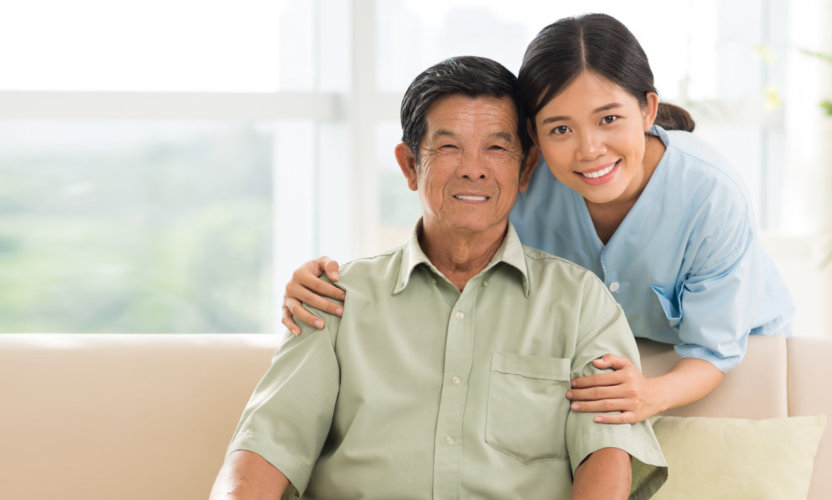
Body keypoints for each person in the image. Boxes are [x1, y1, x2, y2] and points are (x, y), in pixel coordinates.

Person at [280, 13, 794, 425]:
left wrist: (650, 394)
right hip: (596, 355)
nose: (589, 150)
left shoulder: (709, 193)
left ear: (647, 109)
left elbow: (714, 349)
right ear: (533, 135)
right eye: (560, 128)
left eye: (609, 119)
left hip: (723, 358)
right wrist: (325, 285)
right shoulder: (522, 179)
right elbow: (447, 242)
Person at [214, 56, 666, 500]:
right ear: (410, 166)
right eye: (449, 146)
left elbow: (606, 457)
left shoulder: (581, 301)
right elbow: (265, 449)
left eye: (496, 146)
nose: (473, 168)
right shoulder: (334, 299)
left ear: (526, 167)